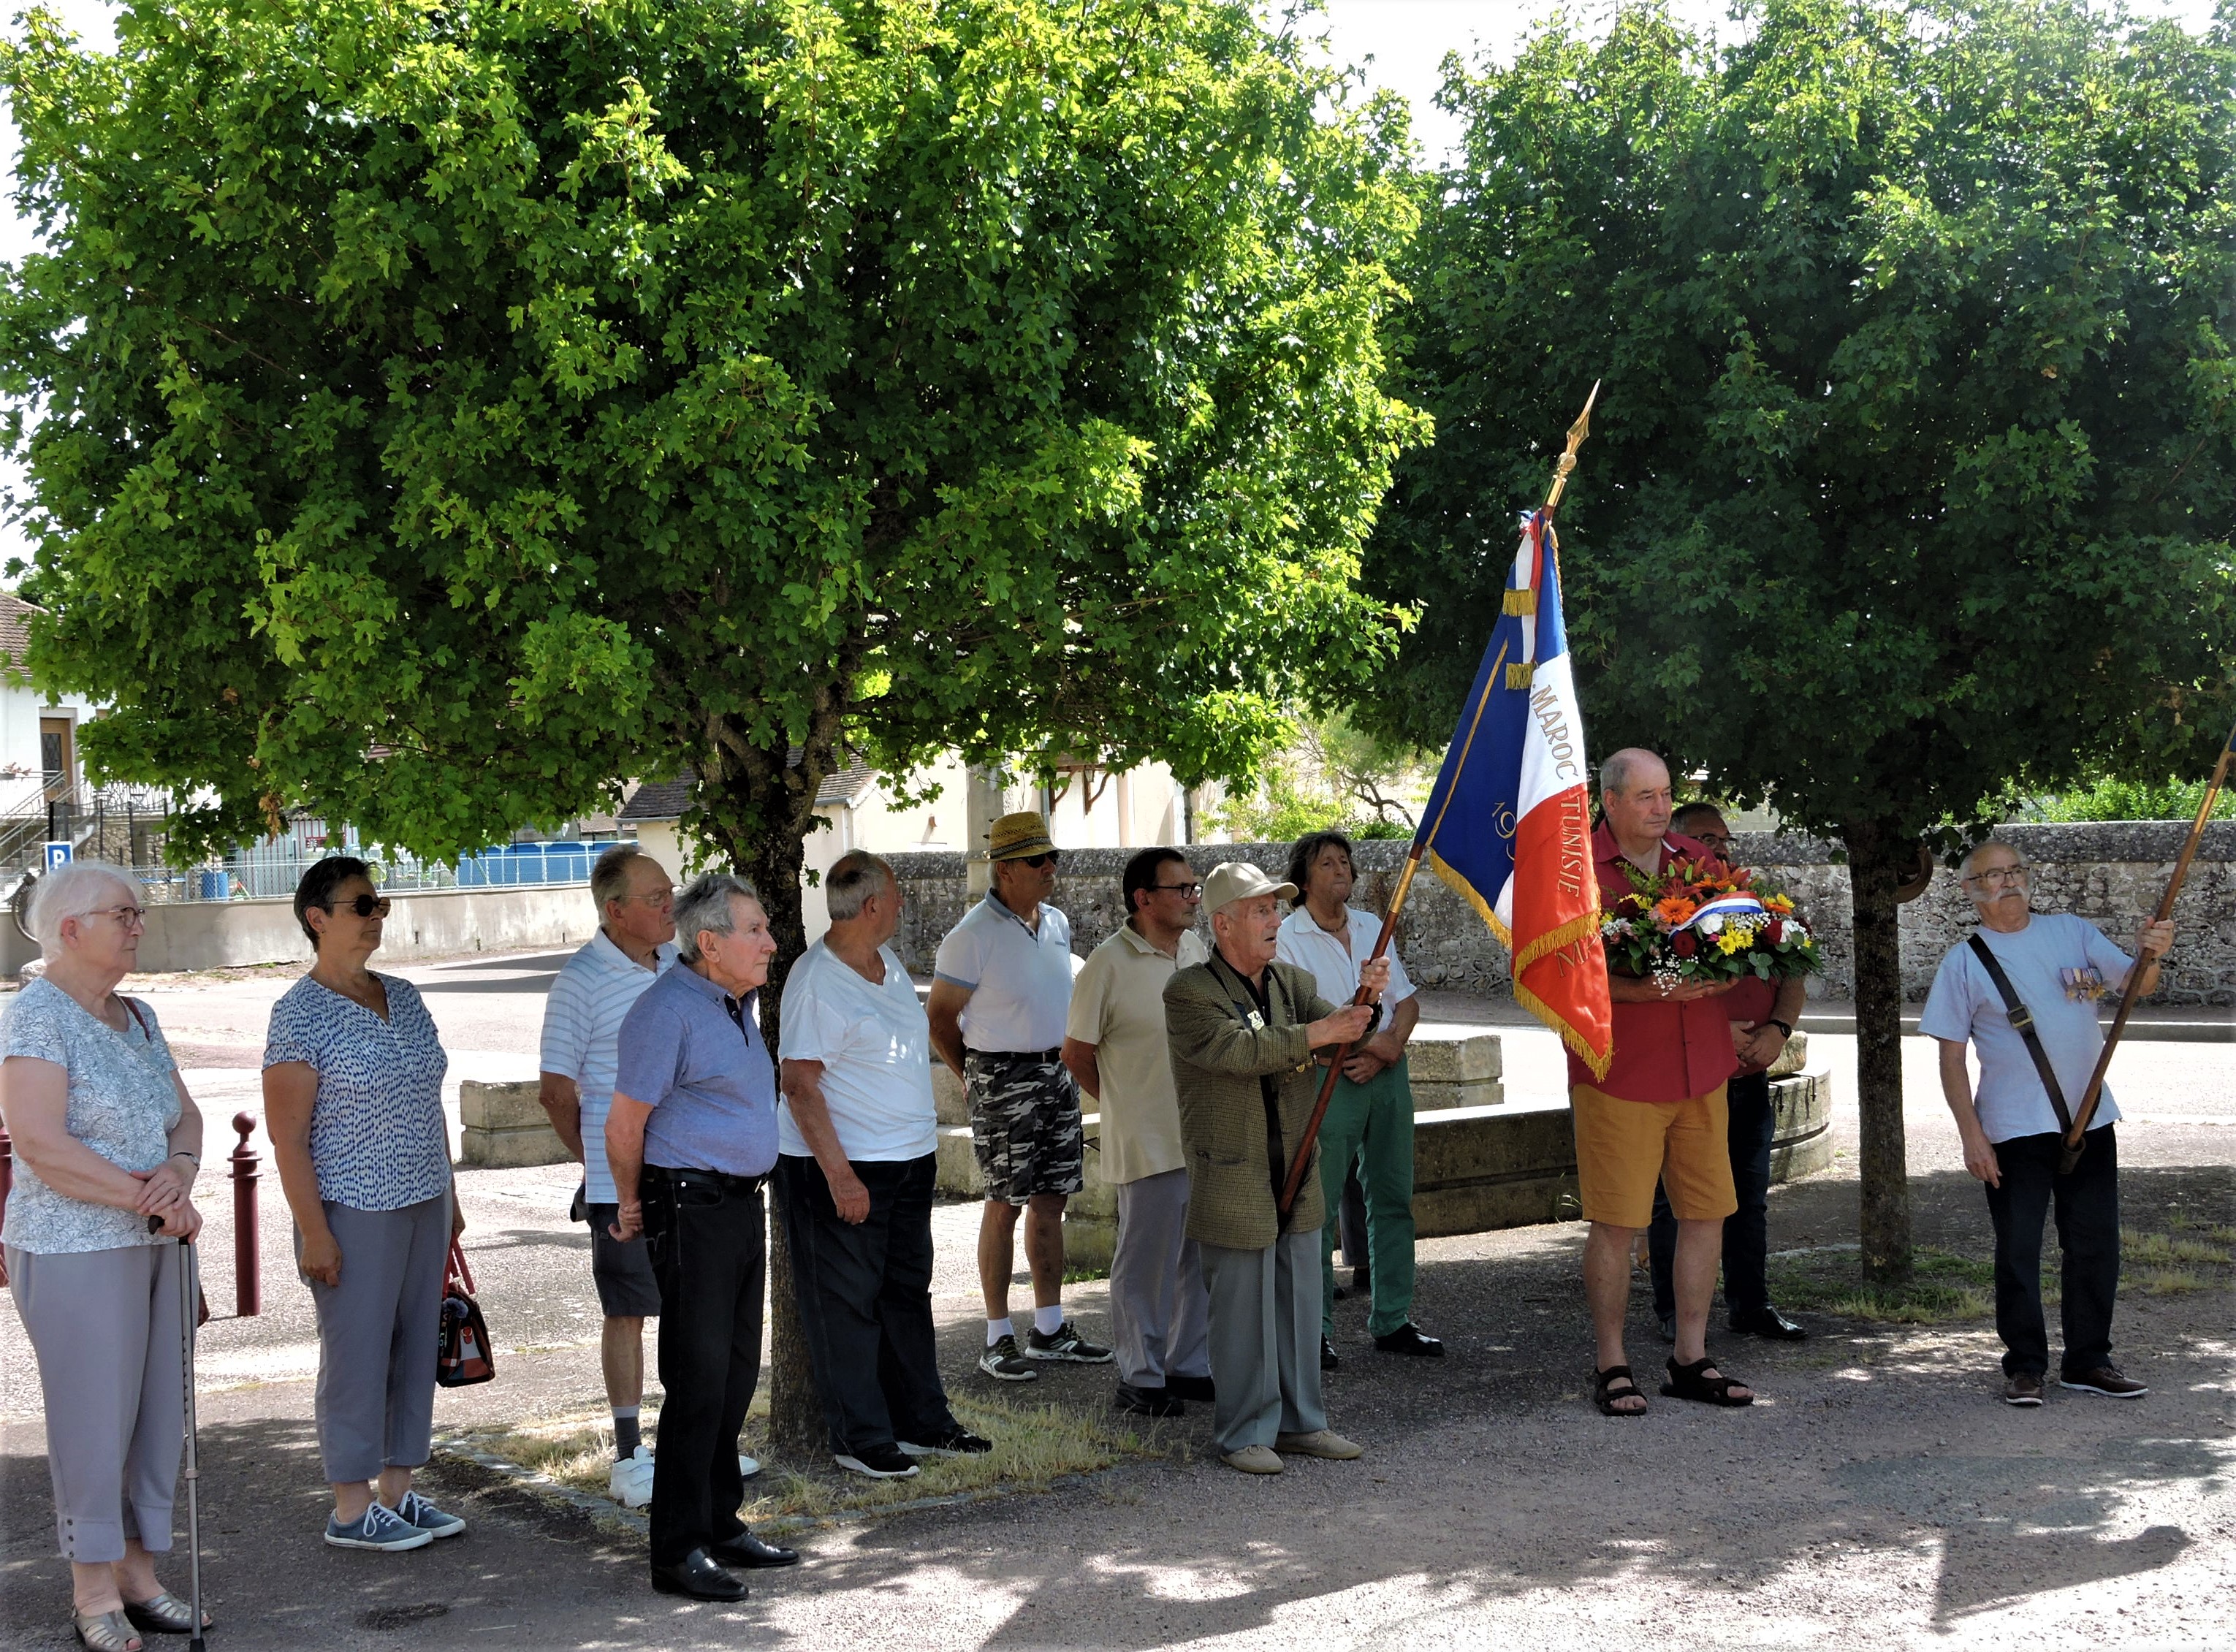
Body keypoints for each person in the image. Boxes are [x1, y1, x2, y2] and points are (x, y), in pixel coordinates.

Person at [1, 861, 208, 1652]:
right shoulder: (36, 1016)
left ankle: (140, 1576)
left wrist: (179, 1172)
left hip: (157, 1240)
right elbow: (40, 1143)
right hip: (74, 1246)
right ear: (70, 928)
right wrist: (146, 1198)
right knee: (94, 1420)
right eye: (124, 913)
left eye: (138, 912)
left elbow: (185, 1117)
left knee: (157, 1414)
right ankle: (92, 1588)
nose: (138, 925)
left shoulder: (141, 1014)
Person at [1920, 839, 2172, 1407]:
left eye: (2015, 870)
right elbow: (1951, 1058)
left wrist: (2152, 953)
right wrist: (1972, 1135)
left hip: (2090, 1117)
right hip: (2013, 1130)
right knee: (2018, 1249)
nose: (2008, 881)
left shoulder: (2072, 932)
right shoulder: (1965, 961)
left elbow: (2138, 983)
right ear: (1970, 889)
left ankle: (2089, 1360)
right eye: (1993, 875)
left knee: (2095, 1244)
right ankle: (2026, 1366)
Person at [263, 856, 467, 1555]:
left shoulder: (404, 995)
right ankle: (350, 1508)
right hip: (351, 1207)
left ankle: (397, 1491)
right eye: (361, 905)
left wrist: (451, 1192)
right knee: (357, 1356)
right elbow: (288, 1138)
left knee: (413, 1348)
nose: (376, 916)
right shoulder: (299, 1013)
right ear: (317, 918)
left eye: (379, 904)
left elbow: (429, 1100)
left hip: (424, 1198)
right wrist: (314, 1231)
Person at [606, 872, 799, 1600]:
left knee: (735, 1373)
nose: (770, 942)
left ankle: (720, 1523)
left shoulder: (735, 1003)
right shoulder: (665, 1011)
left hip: (739, 1206)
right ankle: (677, 1548)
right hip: (690, 1206)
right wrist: (631, 1203)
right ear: (710, 943)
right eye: (756, 930)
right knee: (697, 1378)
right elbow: (624, 1123)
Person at [777, 851, 992, 1477]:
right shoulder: (817, 981)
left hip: (906, 1163)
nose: (902, 903)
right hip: (845, 1170)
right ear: (872, 905)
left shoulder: (885, 961)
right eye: (895, 895)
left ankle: (922, 1422)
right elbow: (799, 1085)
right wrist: (840, 1176)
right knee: (846, 1306)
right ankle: (861, 1438)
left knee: (905, 1295)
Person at [1164, 861, 1380, 1474]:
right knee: (1241, 1314)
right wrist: (1323, 1030)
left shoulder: (1291, 981)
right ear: (1222, 924)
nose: (1275, 920)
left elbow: (1345, 1039)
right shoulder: (1189, 992)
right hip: (1234, 1174)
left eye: (1276, 908)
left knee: (1300, 1304)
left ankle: (1301, 1422)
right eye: (1261, 910)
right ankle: (1242, 1433)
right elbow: (1238, 1051)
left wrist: (1366, 1002)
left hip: (1297, 1169)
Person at [1574, 750, 1754, 1417]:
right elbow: (1561, 976)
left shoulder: (1696, 862)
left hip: (1701, 1067)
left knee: (1707, 1213)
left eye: (1666, 794)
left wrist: (1735, 961)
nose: (1661, 807)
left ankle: (1690, 1356)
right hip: (1621, 1072)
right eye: (1646, 796)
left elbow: (1740, 944)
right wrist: (1645, 989)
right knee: (1618, 1223)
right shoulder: (1577, 873)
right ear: (1611, 801)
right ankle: (1612, 1363)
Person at [927, 811, 1111, 1381]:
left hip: (1056, 1072)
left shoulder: (1056, 922)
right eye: (1037, 859)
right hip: (1002, 1077)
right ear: (1005, 870)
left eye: (1052, 856)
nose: (1050, 867)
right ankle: (996, 1336)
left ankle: (1050, 1329)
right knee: (1004, 1203)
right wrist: (973, 1075)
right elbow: (939, 1019)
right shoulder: (971, 936)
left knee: (1053, 1200)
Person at [537, 844, 688, 1508]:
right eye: (656, 898)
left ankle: (693, 1441)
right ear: (615, 910)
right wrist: (599, 1161)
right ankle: (629, 1455)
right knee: (628, 1311)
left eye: (671, 892)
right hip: (620, 1182)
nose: (671, 905)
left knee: (694, 1309)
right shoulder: (580, 981)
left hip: (689, 1172)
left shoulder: (681, 963)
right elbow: (555, 1091)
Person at [1275, 831, 1441, 1369]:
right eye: (1327, 862)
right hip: (1330, 1076)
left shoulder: (1372, 926)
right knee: (1319, 1208)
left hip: (1387, 1073)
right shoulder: (1288, 937)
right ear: (1304, 878)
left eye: (1345, 860)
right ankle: (1315, 1329)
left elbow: (1406, 1002)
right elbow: (1307, 1020)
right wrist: (1372, 1046)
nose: (1341, 869)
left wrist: (1390, 1046)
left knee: (1393, 1195)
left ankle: (1393, 1317)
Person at [1646, 804, 1809, 1344]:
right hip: (1691, 1081)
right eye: (1704, 837)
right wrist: (1719, 1035)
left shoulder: (1754, 903)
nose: (1717, 847)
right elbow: (1658, 993)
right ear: (1677, 843)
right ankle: (1675, 1311)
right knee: (1677, 1203)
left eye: (1722, 837)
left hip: (1748, 1079)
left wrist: (1779, 1029)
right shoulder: (1660, 912)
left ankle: (1751, 1305)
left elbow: (1793, 972)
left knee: (1748, 1197)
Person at [1062, 847, 1216, 1417]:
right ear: (1143, 898)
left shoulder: (1196, 950)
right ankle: (1140, 1375)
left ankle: (1187, 1364)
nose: (1193, 898)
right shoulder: (1107, 963)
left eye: (1195, 887)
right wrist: (1123, 1103)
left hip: (1201, 1132)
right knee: (1144, 1265)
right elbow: (1075, 1052)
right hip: (1146, 1139)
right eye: (1181, 889)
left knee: (1198, 1259)